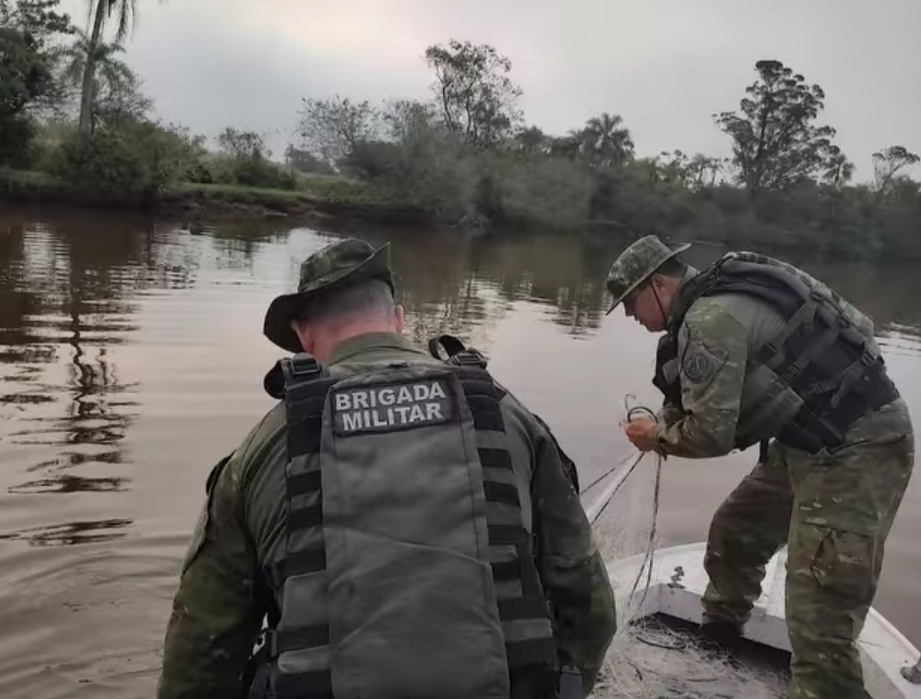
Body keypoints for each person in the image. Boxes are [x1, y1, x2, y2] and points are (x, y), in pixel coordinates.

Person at [157, 237, 617, 699]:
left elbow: (201, 656)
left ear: (303, 336)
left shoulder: (262, 448)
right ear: (398, 318)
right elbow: (591, 610)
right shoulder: (506, 417)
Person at [605, 234, 915, 699]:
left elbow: (712, 434)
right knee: (737, 530)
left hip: (859, 447)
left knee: (819, 614)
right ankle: (721, 635)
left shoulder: (710, 318)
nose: (631, 316)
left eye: (630, 304)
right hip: (803, 443)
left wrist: (657, 437)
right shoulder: (726, 292)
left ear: (658, 286)